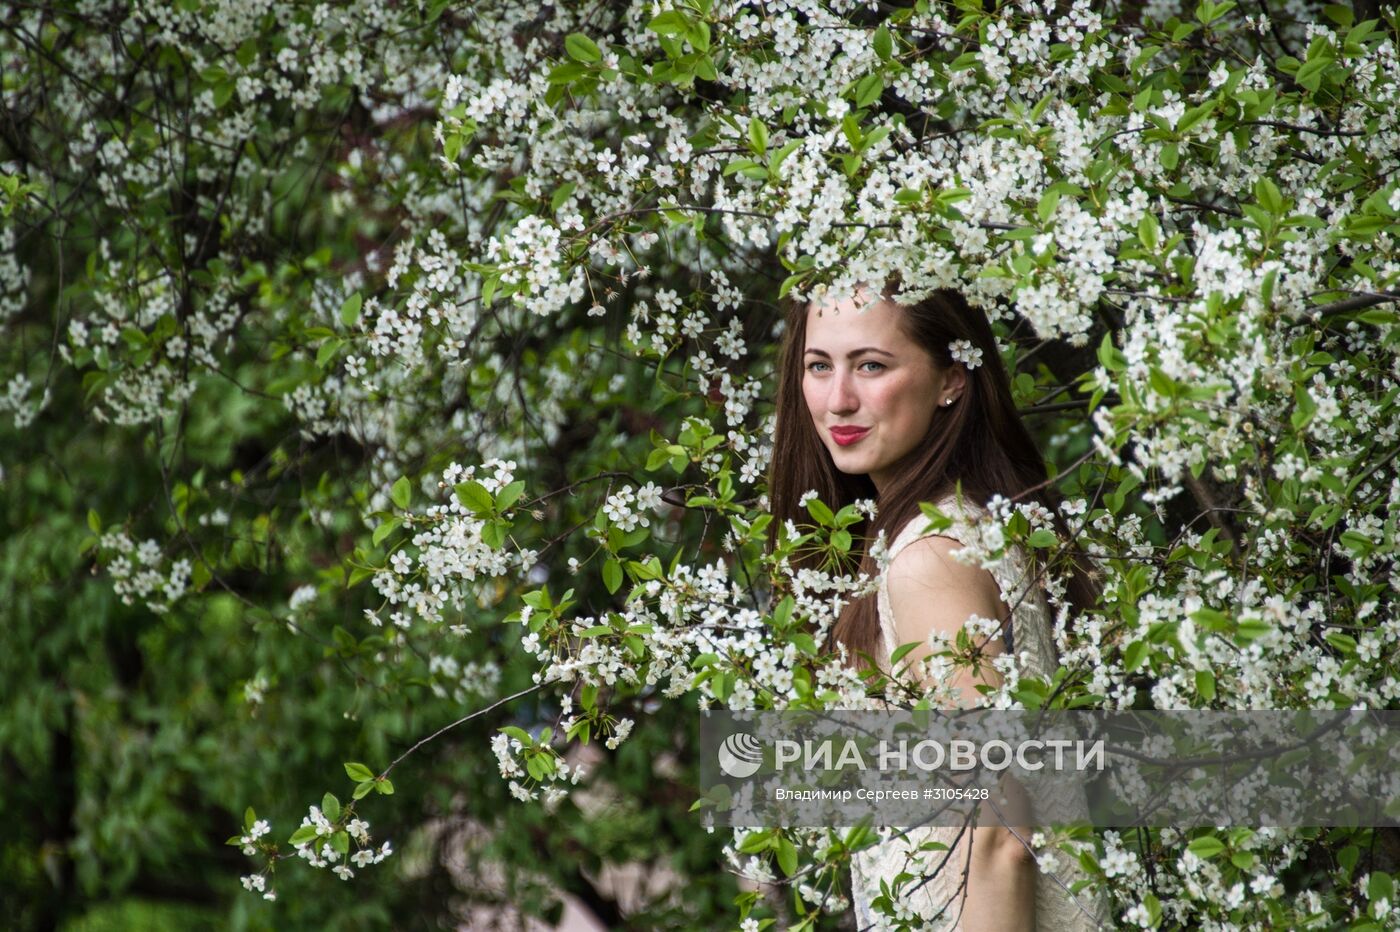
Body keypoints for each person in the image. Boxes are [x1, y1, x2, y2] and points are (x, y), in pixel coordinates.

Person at [767, 285, 1103, 931]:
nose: (838, 399)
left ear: (951, 378)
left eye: (871, 365)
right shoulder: (970, 528)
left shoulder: (930, 562)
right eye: (819, 365)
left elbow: (999, 836)